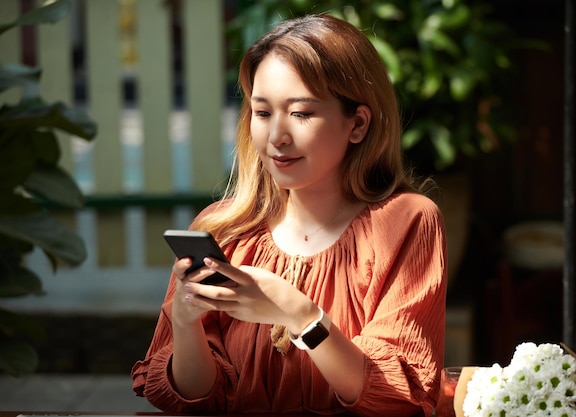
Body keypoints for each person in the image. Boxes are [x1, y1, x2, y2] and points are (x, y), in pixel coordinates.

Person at [132, 13, 447, 417]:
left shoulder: (406, 222)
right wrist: (186, 322)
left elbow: (397, 399)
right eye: (262, 113)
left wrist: (301, 315)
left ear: (359, 124)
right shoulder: (222, 228)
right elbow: (190, 401)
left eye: (301, 113)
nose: (277, 136)